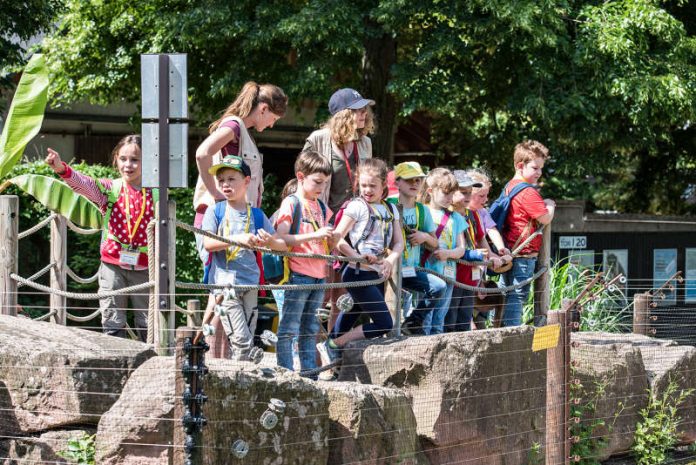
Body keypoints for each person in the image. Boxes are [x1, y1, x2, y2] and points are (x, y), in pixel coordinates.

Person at [194, 81, 287, 357]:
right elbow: (203, 153)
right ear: (263, 109)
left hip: (239, 220)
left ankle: (220, 359)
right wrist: (216, 194)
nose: (270, 125)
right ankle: (208, 358)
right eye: (272, 119)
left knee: (223, 298)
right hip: (222, 221)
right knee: (221, 294)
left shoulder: (242, 132)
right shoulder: (234, 126)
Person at [45, 136, 155, 341]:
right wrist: (61, 168)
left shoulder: (157, 194)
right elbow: (84, 185)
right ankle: (115, 368)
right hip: (112, 266)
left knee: (149, 325)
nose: (128, 165)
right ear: (116, 160)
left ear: (146, 161)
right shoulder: (109, 189)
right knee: (112, 322)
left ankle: (152, 368)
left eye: (135, 160)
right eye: (123, 159)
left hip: (147, 269)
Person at [201, 155, 286, 360]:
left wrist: (269, 241)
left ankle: (242, 374)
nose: (225, 184)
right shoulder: (215, 211)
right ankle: (244, 373)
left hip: (251, 284)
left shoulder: (256, 215)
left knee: (247, 335)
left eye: (231, 179)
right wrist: (237, 239)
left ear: (247, 181)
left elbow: (281, 245)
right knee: (242, 339)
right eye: (221, 180)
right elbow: (208, 244)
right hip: (225, 286)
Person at [324, 158, 404, 362]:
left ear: (384, 185)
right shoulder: (356, 206)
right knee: (384, 323)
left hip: (376, 274)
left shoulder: (391, 209)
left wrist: (390, 261)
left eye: (373, 186)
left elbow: (399, 243)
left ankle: (334, 352)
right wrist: (357, 258)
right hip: (356, 272)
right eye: (363, 185)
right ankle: (335, 344)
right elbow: (338, 238)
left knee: (352, 312)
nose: (367, 190)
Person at [275, 151, 335, 375]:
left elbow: (327, 239)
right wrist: (314, 236)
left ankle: (310, 375)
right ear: (301, 177)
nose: (322, 188)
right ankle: (286, 373)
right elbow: (281, 239)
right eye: (318, 182)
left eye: (325, 183)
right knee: (289, 328)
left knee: (310, 328)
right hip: (298, 273)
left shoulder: (321, 206)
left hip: (319, 274)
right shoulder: (291, 203)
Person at [386, 162, 447, 336]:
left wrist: (425, 237)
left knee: (439, 286)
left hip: (410, 270)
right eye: (409, 180)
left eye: (418, 180)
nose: (414, 184)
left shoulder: (423, 210)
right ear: (397, 182)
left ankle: (413, 322)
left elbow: (435, 243)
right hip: (388, 268)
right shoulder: (386, 204)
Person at [499, 140, 555, 327]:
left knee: (506, 293)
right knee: (518, 295)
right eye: (535, 167)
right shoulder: (528, 192)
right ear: (520, 166)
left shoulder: (509, 186)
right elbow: (545, 218)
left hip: (509, 251)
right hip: (523, 254)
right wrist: (550, 205)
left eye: (541, 168)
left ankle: (499, 331)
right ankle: (512, 335)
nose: (539, 172)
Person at [418, 168, 475, 335]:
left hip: (448, 273)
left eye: (452, 194)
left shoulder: (455, 218)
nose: (450, 198)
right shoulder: (421, 211)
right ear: (431, 191)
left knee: (439, 319)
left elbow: (461, 249)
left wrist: (447, 254)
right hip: (426, 273)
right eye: (446, 194)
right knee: (425, 318)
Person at [303, 88, 376, 213]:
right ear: (344, 115)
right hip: (323, 219)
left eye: (365, 109)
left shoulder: (366, 143)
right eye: (358, 110)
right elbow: (302, 179)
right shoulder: (317, 139)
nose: (365, 113)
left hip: (355, 220)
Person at [447, 171, 503, 332]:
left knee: (464, 318)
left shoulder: (473, 215)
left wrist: (492, 256)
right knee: (450, 318)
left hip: (472, 277)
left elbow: (481, 239)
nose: (467, 196)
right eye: (464, 192)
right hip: (453, 275)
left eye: (470, 192)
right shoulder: (448, 215)